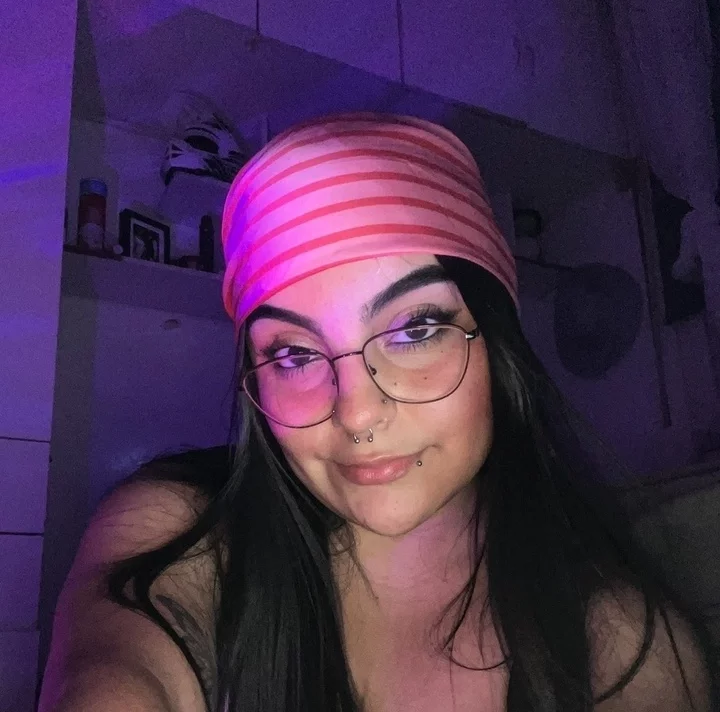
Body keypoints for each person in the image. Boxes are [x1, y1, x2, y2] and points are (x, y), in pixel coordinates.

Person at [39, 113, 717, 712]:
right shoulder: (177, 531)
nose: (357, 414)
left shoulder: (623, 646)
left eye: (415, 329)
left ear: (498, 342)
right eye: (294, 354)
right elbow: (118, 671)